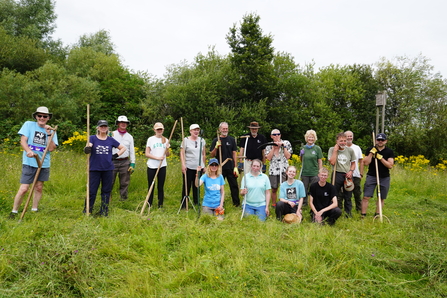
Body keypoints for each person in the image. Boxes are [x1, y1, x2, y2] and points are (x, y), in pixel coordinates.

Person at [10, 107, 58, 217]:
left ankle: (34, 209)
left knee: (39, 187)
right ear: (36, 116)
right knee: (24, 188)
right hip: (29, 161)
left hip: (43, 163)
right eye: (39, 116)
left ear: (48, 118)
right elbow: (23, 140)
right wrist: (28, 151)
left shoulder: (51, 130)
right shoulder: (28, 125)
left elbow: (51, 148)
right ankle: (14, 211)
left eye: (44, 116)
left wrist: (49, 134)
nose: (42, 118)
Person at [84, 120, 126, 216]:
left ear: (107, 128)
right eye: (101, 126)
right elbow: (88, 146)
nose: (103, 128)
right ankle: (88, 210)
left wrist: (115, 155)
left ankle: (104, 211)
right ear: (98, 128)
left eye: (105, 126)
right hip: (94, 168)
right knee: (92, 191)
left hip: (108, 169)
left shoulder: (110, 140)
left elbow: (123, 148)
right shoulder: (92, 138)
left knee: (106, 191)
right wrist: (87, 149)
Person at [361, 133, 395, 217]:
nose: (380, 141)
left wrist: (380, 158)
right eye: (378, 140)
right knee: (366, 196)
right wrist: (371, 154)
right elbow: (365, 163)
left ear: (385, 141)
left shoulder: (389, 152)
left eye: (382, 140)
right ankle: (363, 214)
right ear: (375, 140)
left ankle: (377, 214)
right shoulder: (370, 149)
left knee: (381, 197)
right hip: (372, 176)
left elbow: (390, 165)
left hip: (384, 177)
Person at [210, 122, 240, 207]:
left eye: (226, 128)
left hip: (230, 167)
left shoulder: (232, 140)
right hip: (219, 167)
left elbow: (234, 153)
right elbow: (211, 155)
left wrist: (235, 167)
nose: (225, 130)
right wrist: (216, 147)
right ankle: (219, 203)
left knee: (234, 185)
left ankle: (236, 203)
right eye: (223, 128)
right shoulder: (216, 140)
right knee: (219, 186)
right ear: (220, 129)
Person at [328, 132, 356, 217]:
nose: (343, 142)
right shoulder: (332, 149)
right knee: (335, 194)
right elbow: (332, 162)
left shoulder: (350, 150)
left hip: (347, 175)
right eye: (341, 141)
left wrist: (351, 171)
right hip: (337, 173)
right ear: (337, 141)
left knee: (348, 195)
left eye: (344, 140)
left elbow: (353, 163)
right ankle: (335, 211)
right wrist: (335, 151)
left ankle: (348, 213)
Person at [145, 122, 170, 208]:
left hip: (162, 166)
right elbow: (147, 154)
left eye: (161, 129)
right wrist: (157, 158)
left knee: (160, 186)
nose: (159, 130)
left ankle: (160, 205)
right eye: (158, 129)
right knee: (151, 185)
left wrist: (167, 149)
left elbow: (168, 154)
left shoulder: (166, 140)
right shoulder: (150, 139)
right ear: (154, 130)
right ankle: (149, 204)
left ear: (163, 130)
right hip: (152, 166)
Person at [180, 124, 206, 207]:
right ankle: (184, 203)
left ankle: (196, 201)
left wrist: (204, 165)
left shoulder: (202, 140)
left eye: (197, 130)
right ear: (190, 131)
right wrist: (183, 165)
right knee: (186, 185)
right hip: (188, 166)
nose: (196, 131)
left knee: (197, 185)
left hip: (199, 167)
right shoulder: (185, 140)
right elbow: (182, 153)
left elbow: (204, 154)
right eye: (194, 130)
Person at [265, 129, 292, 207]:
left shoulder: (286, 143)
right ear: (271, 136)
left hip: (284, 169)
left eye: (278, 134)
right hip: (273, 170)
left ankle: (285, 202)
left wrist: (284, 147)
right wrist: (273, 148)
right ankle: (274, 203)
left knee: (285, 187)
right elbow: (269, 158)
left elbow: (288, 156)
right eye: (274, 135)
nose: (276, 136)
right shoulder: (269, 145)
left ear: (280, 135)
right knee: (274, 188)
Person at [111, 115, 134, 201]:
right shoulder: (112, 134)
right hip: (113, 161)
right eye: (121, 122)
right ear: (118, 123)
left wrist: (133, 163)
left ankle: (123, 199)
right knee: (110, 181)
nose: (123, 124)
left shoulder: (129, 137)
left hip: (125, 162)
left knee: (124, 182)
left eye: (125, 123)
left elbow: (132, 151)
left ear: (127, 124)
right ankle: (107, 198)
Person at [299, 129, 323, 205]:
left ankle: (313, 203)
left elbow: (320, 161)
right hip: (305, 172)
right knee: (304, 188)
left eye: (312, 137)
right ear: (306, 138)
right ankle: (304, 203)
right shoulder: (303, 148)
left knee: (314, 189)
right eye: (309, 137)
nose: (311, 139)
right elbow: (301, 160)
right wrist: (301, 154)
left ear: (314, 138)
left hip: (314, 172)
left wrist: (320, 171)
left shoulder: (317, 148)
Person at [345, 131, 364, 212]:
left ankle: (359, 210)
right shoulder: (342, 147)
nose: (349, 138)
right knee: (345, 194)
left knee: (357, 193)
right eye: (347, 136)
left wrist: (361, 173)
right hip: (345, 174)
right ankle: (345, 210)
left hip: (355, 174)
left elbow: (361, 161)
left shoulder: (357, 148)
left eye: (351, 136)